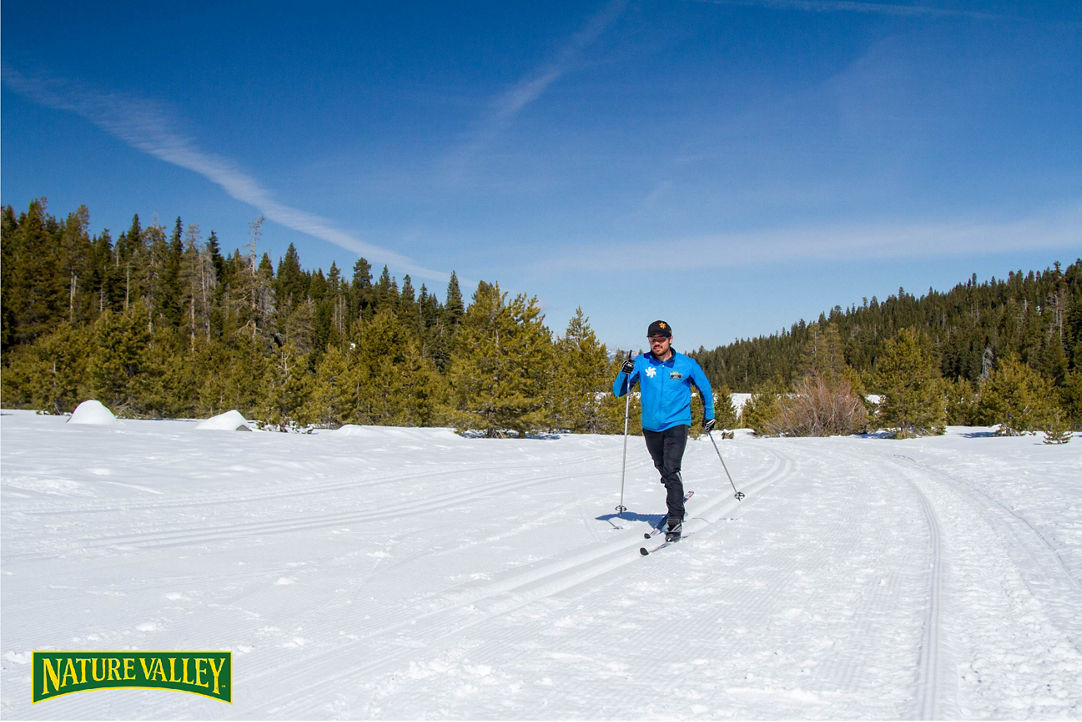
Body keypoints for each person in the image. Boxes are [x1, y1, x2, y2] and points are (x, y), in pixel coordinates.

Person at [614, 320, 716, 540]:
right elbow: (619, 392)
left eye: (661, 339)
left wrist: (710, 414)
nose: (656, 343)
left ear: (670, 339)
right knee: (662, 467)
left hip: (677, 423)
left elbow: (705, 389)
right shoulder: (641, 362)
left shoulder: (686, 364)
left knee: (670, 467)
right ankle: (674, 488)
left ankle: (675, 515)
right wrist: (624, 372)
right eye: (652, 339)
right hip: (651, 426)